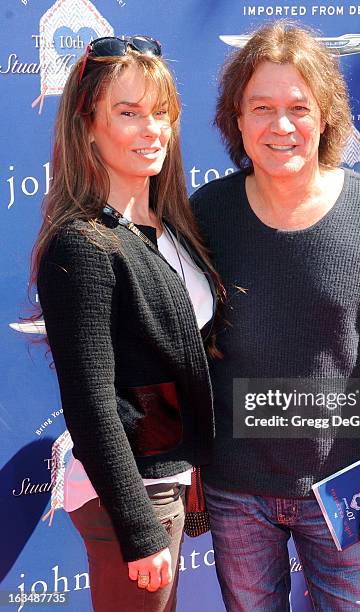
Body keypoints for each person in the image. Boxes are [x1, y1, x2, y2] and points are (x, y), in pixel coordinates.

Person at [190, 21, 360, 611]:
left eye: (298, 107)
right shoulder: (206, 217)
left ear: (325, 117)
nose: (281, 125)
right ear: (237, 119)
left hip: (345, 490)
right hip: (235, 493)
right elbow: (184, 353)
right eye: (262, 107)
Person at [32, 36, 222, 611]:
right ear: (88, 126)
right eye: (129, 113)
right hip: (130, 494)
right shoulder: (83, 244)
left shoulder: (170, 231)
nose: (152, 130)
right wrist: (137, 528)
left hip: (166, 481)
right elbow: (90, 403)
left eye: (161, 113)